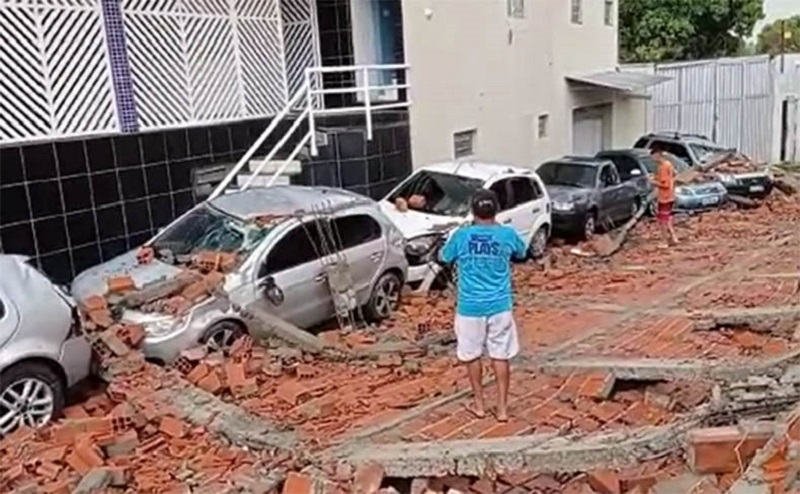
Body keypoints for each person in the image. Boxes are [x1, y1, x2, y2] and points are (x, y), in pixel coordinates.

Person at [440, 189, 527, 422]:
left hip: (469, 307)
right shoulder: (507, 234)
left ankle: (479, 405)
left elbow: (444, 257)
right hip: (500, 305)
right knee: (500, 356)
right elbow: (522, 251)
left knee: (471, 355)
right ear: (495, 210)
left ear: (472, 210)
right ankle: (502, 409)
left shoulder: (462, 236)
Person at [651, 147, 679, 246]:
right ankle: (673, 237)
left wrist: (653, 182)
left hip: (664, 197)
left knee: (662, 220)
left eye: (653, 156)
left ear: (657, 155)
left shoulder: (662, 167)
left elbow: (665, 184)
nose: (653, 159)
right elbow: (673, 175)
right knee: (667, 218)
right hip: (670, 195)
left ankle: (664, 241)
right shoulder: (669, 164)